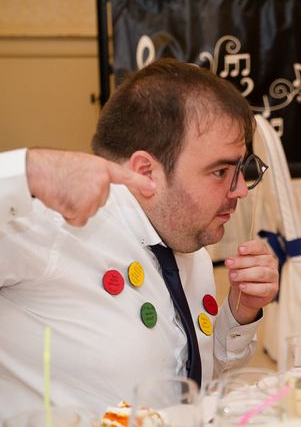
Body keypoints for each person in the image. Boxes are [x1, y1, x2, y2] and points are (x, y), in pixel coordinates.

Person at [0, 59, 279, 415]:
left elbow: (187, 390)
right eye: (221, 171)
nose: (241, 189)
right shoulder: (53, 225)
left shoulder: (189, 247)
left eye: (241, 169)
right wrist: (30, 169)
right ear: (146, 171)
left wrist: (238, 315)